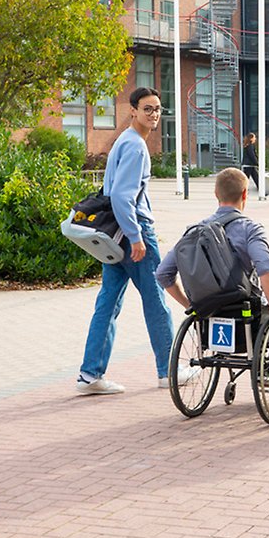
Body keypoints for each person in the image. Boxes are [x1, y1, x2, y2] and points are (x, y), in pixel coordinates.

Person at [76, 87, 181, 395]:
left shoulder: (125, 140)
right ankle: (169, 371)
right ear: (133, 111)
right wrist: (136, 237)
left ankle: (90, 374)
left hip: (115, 234)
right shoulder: (135, 146)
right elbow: (123, 197)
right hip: (133, 233)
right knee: (156, 298)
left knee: (108, 302)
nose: (154, 114)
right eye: (147, 109)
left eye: (158, 109)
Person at [157, 167, 269, 328]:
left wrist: (190, 307)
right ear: (245, 194)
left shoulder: (195, 231)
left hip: (208, 311)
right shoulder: (250, 229)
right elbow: (267, 270)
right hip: (245, 312)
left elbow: (163, 273)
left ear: (216, 194)